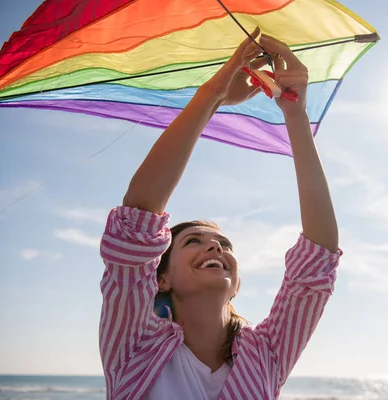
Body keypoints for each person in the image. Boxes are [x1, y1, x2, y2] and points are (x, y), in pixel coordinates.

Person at [98, 29, 342, 400]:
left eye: (223, 244)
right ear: (160, 279)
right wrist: (213, 95)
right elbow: (138, 219)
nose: (215, 249)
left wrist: (295, 113)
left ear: (237, 283)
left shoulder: (265, 354)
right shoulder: (133, 346)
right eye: (193, 241)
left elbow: (316, 262)